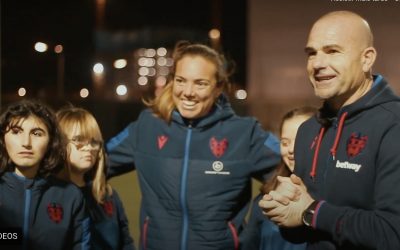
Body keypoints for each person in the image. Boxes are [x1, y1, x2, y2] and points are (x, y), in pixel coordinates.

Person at [106, 41, 281, 250]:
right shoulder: (147, 126)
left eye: (200, 83)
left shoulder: (245, 133)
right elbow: (95, 163)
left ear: (218, 88)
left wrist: (254, 231)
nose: (188, 92)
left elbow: (295, 171)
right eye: (181, 80)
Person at [259, 10, 400, 250]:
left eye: (332, 51)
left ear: (367, 59)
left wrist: (312, 211)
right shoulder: (308, 130)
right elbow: (305, 231)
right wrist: (287, 214)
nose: (317, 64)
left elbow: (392, 233)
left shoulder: (393, 125)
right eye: (311, 53)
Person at [0, 99, 90, 250]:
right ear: (3, 139)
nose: (26, 142)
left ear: (51, 142)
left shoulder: (70, 196)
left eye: (37, 133)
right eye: (16, 132)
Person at [56, 106, 136, 250]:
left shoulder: (108, 195)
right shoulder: (47, 196)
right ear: (59, 144)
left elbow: (126, 243)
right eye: (79, 140)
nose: (89, 148)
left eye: (94, 142)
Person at [241, 106, 316, 250]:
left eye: (300, 140)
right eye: (285, 142)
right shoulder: (268, 197)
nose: (291, 150)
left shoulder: (335, 199)